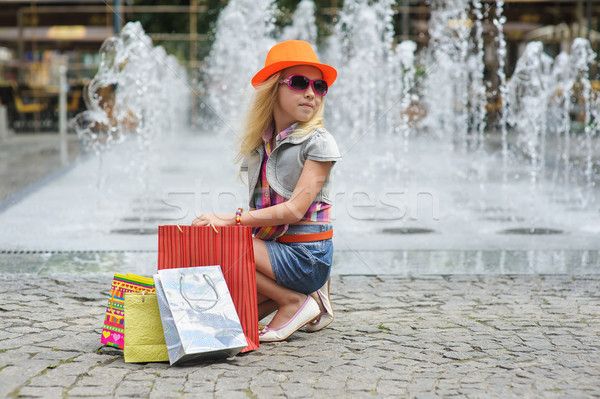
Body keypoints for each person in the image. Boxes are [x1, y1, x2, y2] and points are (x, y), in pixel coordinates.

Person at [192, 40, 341, 342]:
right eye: (299, 83)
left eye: (319, 86)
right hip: (277, 250)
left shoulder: (319, 142)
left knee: (221, 241)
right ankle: (304, 295)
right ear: (274, 88)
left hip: (306, 256)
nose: (311, 93)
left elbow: (295, 210)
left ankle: (294, 300)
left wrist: (231, 221)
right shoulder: (260, 145)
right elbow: (265, 216)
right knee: (233, 316)